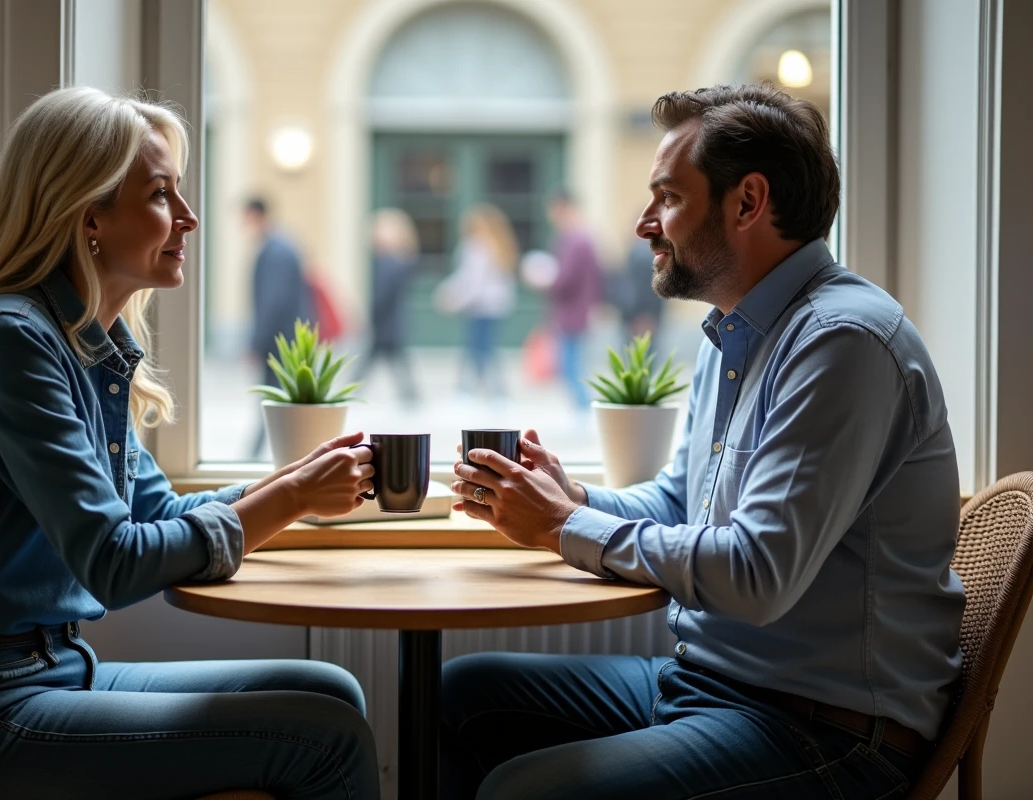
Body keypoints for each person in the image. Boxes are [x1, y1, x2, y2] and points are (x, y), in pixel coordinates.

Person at [442, 84, 964, 800]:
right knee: (464, 696)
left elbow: (755, 574)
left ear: (748, 202)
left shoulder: (842, 344)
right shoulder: (734, 334)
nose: (643, 224)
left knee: (531, 789)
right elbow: (682, 500)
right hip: (715, 684)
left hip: (830, 730)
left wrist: (564, 527)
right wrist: (575, 497)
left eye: (668, 198)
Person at [0, 87, 381, 800]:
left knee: (329, 690)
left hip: (51, 667)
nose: (189, 217)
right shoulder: (11, 342)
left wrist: (289, 485)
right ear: (90, 215)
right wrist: (292, 499)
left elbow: (155, 510)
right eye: (161, 194)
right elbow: (115, 562)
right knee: (327, 740)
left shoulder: (83, 346)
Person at [244, 195, 314, 458]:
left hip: (280, 344)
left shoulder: (275, 251)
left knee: (274, 401)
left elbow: (273, 302)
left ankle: (257, 455)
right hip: (286, 341)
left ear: (256, 215)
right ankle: (262, 454)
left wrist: (256, 342)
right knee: (278, 401)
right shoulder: (282, 247)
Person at [433, 204, 518, 398]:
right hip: (495, 307)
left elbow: (471, 281)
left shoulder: (476, 247)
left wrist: (452, 298)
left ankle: (470, 389)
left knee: (475, 349)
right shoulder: (499, 245)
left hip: (480, 306)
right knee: (486, 348)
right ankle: (492, 390)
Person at [544, 190, 604, 410]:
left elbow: (565, 280)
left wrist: (545, 280)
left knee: (571, 365)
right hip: (577, 312)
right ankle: (582, 409)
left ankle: (583, 409)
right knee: (573, 364)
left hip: (573, 313)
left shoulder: (575, 240)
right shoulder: (581, 238)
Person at [355, 207, 420, 404]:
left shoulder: (388, 262)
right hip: (393, 322)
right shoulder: (401, 260)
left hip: (386, 323)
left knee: (378, 360)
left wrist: (370, 316)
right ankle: (410, 396)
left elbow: (381, 296)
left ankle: (352, 391)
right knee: (386, 360)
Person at [609, 236, 665, 343]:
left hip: (638, 317)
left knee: (632, 354)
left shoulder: (637, 254)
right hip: (643, 317)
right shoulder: (648, 254)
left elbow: (639, 289)